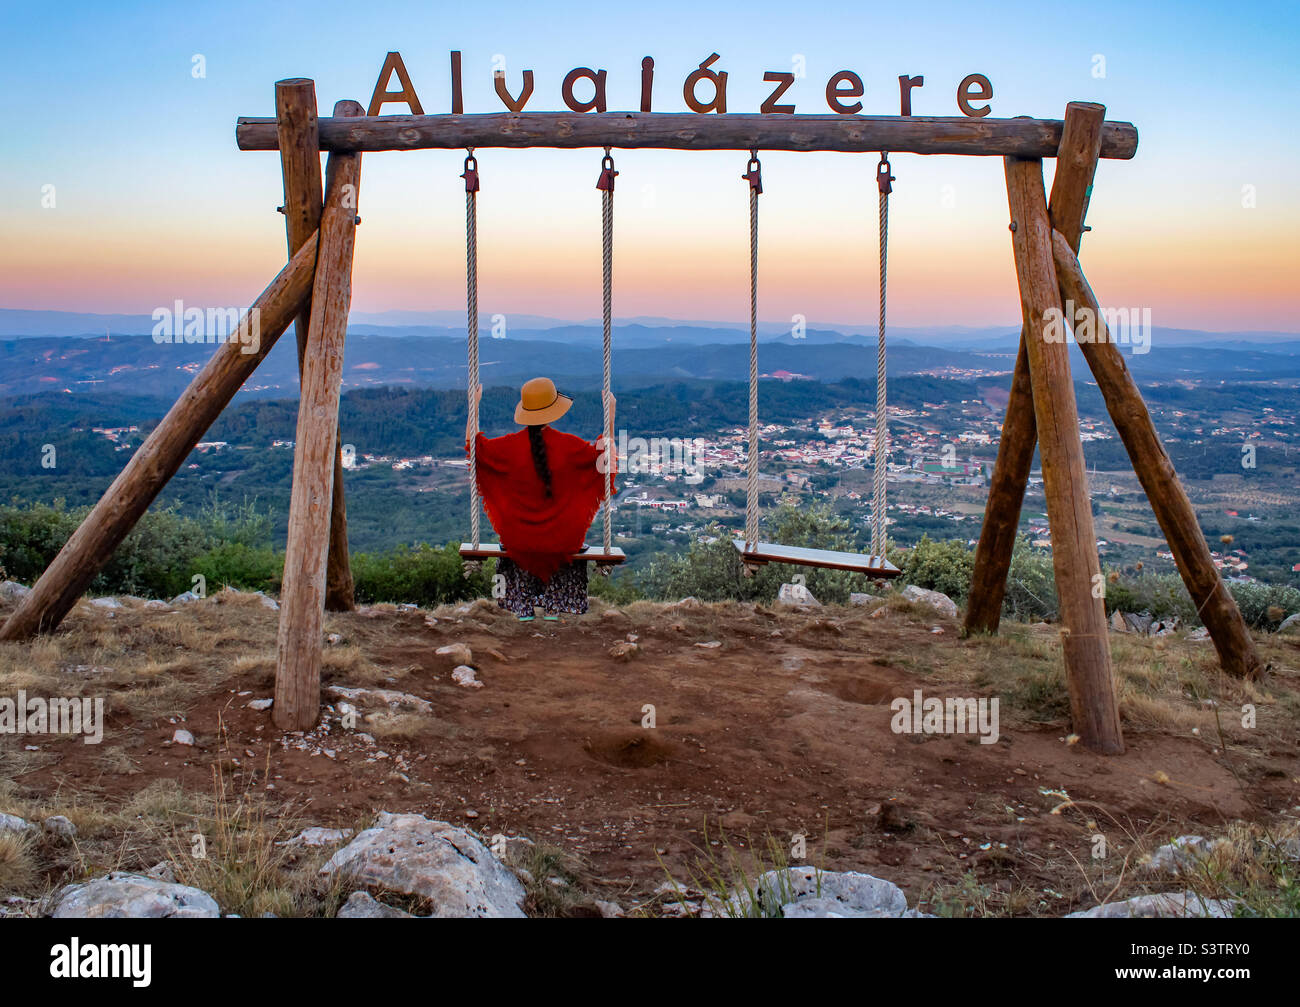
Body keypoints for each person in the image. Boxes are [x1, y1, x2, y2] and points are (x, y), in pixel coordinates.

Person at [466, 377, 616, 621]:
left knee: (514, 542)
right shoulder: (571, 447)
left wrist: (473, 406)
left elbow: (475, 450)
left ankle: (521, 607)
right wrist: (609, 415)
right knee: (566, 541)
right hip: (562, 541)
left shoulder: (507, 447)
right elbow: (604, 461)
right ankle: (555, 607)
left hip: (519, 539)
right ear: (554, 411)